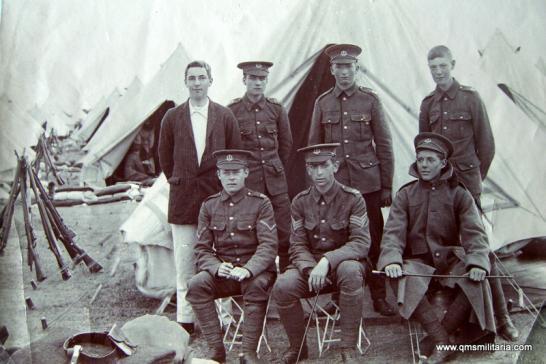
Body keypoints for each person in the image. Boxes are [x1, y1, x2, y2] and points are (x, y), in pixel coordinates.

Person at [419, 45, 518, 341]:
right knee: (450, 250)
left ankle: (502, 319)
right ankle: (464, 316)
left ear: (453, 64)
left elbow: (486, 146)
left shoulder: (470, 99)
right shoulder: (428, 104)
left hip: (466, 185)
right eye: (433, 67)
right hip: (441, 187)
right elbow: (425, 147)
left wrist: (474, 178)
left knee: (480, 249)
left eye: (442, 66)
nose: (438, 71)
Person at [378, 132, 496, 363]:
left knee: (476, 278)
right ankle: (442, 340)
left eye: (430, 160)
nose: (423, 165)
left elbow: (474, 234)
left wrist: (477, 262)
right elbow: (393, 234)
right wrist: (392, 259)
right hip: (419, 262)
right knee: (398, 276)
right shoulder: (405, 194)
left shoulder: (459, 193)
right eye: (420, 159)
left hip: (450, 260)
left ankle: (433, 341)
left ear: (443, 163)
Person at [308, 44, 395, 316]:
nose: (344, 72)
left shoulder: (370, 100)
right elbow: (314, 148)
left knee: (374, 239)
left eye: (349, 66)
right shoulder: (323, 103)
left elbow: (384, 144)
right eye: (339, 67)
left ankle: (379, 295)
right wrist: (319, 184)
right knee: (335, 240)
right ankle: (337, 297)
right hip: (336, 187)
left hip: (367, 184)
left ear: (356, 68)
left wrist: (387, 185)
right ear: (332, 70)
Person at [158, 60, 242, 335]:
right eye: (191, 78)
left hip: (217, 197)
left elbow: (235, 154)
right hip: (183, 199)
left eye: (201, 77)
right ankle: (186, 319)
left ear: (210, 81)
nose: (196, 83)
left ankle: (225, 317)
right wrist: (182, 179)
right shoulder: (172, 117)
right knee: (185, 260)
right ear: (185, 82)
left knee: (221, 257)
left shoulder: (225, 116)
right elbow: (165, 159)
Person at [272, 143, 370, 363]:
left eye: (324, 165)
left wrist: (327, 261)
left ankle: (348, 348)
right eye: (313, 166)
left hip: (344, 265)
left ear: (335, 166)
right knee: (283, 285)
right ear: (307, 169)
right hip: (310, 268)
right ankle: (298, 348)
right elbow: (297, 245)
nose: (319, 173)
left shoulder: (353, 199)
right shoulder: (300, 202)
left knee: (351, 270)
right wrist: (309, 268)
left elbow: (361, 243)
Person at [186, 149, 278, 364]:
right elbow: (202, 248)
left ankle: (248, 353)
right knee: (197, 284)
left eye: (236, 171)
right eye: (226, 172)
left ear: (246, 172)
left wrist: (248, 269)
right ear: (218, 175)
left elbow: (268, 245)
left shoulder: (260, 203)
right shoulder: (209, 205)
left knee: (255, 286)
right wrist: (217, 267)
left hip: (256, 273)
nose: (231, 177)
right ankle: (216, 351)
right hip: (224, 274)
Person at [228, 61, 293, 273]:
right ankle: (256, 283)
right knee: (251, 236)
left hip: (276, 184)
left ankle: (286, 282)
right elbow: (232, 149)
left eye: (262, 78)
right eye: (253, 78)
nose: (257, 83)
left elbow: (286, 145)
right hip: (250, 184)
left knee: (285, 234)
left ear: (266, 81)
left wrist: (274, 167)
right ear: (244, 80)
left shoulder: (276, 109)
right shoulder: (233, 111)